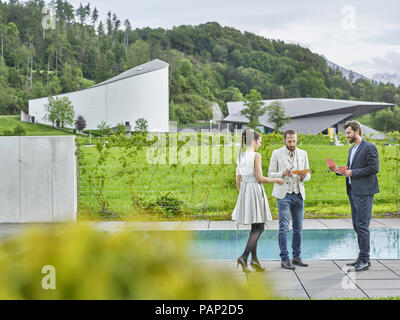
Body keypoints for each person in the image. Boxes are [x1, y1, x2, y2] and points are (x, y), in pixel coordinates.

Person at [232, 128, 285, 273]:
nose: (260, 144)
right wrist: (277, 180)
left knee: (254, 228)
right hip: (255, 190)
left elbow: (238, 179)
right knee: (260, 228)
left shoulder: (240, 156)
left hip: (245, 190)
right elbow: (260, 178)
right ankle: (243, 257)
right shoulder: (256, 156)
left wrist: (242, 192)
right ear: (254, 141)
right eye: (259, 142)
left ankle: (254, 261)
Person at [335, 120, 379, 272]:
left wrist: (353, 173)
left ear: (356, 132)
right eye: (346, 133)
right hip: (353, 191)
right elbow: (351, 168)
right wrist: (340, 170)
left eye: (348, 133)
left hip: (365, 192)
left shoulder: (369, 147)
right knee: (356, 225)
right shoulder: (352, 149)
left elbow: (374, 168)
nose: (346, 135)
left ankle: (365, 260)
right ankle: (362, 257)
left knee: (362, 225)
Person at [268, 130, 311, 270]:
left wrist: (305, 176)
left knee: (298, 228)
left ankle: (296, 257)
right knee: (284, 227)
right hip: (283, 195)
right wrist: (282, 173)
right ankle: (285, 259)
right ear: (284, 140)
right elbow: (270, 173)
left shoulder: (303, 153)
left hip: (298, 194)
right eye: (289, 141)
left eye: (294, 141)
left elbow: (308, 174)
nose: (292, 144)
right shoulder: (276, 153)